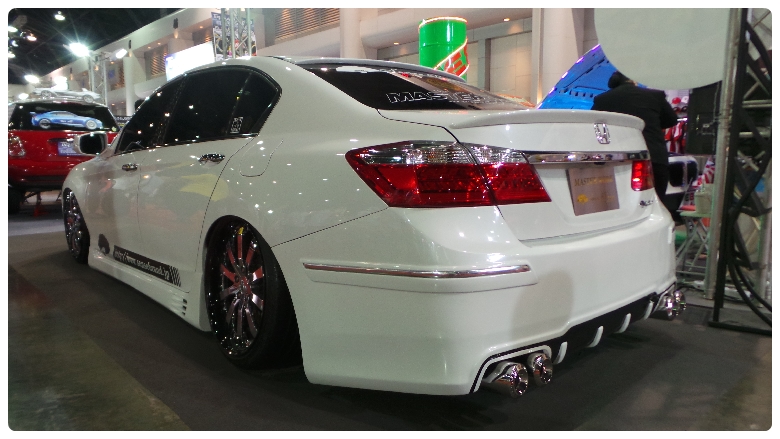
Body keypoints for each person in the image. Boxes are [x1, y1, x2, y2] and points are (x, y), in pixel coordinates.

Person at [591, 71, 678, 200]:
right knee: (656, 200)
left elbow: (594, 125)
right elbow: (671, 120)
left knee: (622, 200)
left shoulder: (602, 99)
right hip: (653, 155)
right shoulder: (655, 95)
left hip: (617, 158)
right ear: (634, 80)